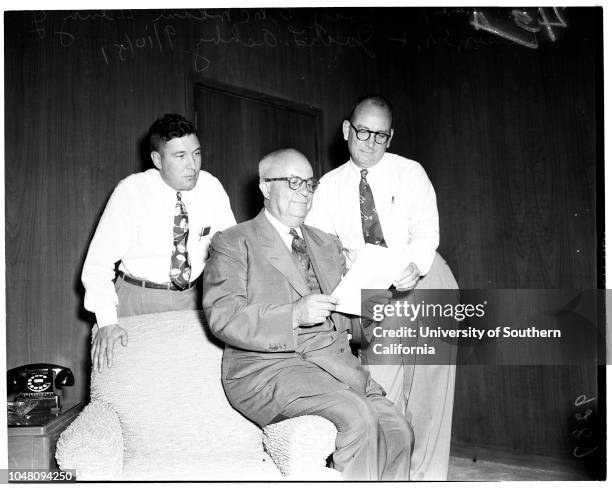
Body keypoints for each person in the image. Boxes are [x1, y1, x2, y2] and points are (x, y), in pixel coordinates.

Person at [202, 148, 412, 480]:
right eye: (293, 182)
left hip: (330, 363)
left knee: (398, 430)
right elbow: (223, 317)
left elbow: (350, 325)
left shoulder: (326, 243)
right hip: (265, 370)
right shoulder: (233, 242)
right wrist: (293, 315)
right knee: (358, 414)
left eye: (309, 184)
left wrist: (376, 300)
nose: (304, 192)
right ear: (265, 187)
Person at [306, 95, 458, 480]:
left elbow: (426, 232)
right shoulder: (327, 188)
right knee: (381, 386)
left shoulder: (411, 173)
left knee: (430, 387)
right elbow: (323, 252)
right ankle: (390, 477)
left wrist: (415, 263)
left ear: (391, 137)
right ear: (346, 130)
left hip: (425, 277)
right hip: (372, 287)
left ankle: (429, 478)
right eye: (363, 132)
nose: (371, 143)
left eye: (381, 136)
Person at [82, 113, 236, 372]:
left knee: (186, 380)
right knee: (137, 380)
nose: (193, 165)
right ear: (157, 160)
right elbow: (98, 264)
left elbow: (231, 252)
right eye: (180, 156)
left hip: (191, 299)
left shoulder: (211, 187)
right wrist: (107, 322)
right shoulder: (131, 191)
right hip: (138, 299)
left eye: (196, 154)